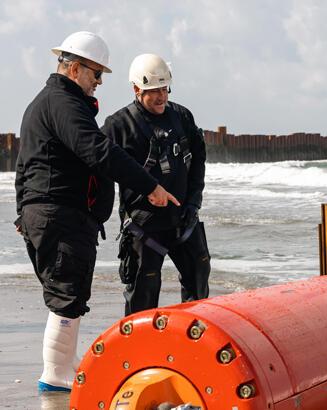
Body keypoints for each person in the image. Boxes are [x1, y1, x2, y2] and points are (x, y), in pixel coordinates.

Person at [15, 32, 180, 392]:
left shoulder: (48, 102)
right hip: (59, 213)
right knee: (67, 292)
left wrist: (21, 214)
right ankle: (57, 374)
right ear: (74, 69)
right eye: (95, 73)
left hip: (49, 213)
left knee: (67, 290)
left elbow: (22, 165)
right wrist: (150, 185)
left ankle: (63, 363)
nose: (100, 82)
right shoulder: (64, 104)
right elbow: (98, 152)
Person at [101, 53, 210, 317]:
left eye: (165, 89)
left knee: (199, 283)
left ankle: (192, 348)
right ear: (137, 89)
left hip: (183, 220)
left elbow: (198, 160)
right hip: (144, 227)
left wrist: (194, 202)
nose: (161, 97)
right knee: (143, 296)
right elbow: (101, 171)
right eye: (153, 91)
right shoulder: (117, 126)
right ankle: (137, 351)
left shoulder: (182, 116)